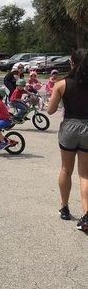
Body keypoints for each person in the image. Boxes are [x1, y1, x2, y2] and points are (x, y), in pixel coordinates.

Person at [47, 49, 88, 232]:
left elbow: (50, 110)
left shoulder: (61, 83)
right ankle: (86, 215)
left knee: (66, 169)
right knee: (85, 174)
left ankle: (64, 207)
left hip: (69, 127)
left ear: (72, 62)